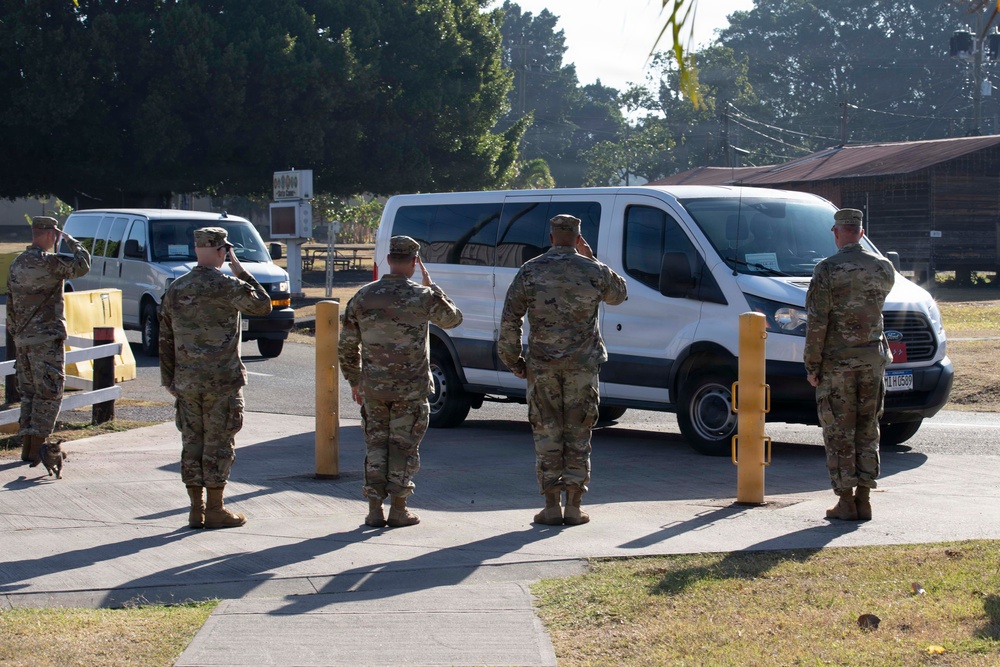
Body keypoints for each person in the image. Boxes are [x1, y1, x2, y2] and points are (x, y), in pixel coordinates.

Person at [498, 214, 627, 526]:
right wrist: (590, 256)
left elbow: (509, 320)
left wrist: (514, 361)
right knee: (578, 433)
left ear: (553, 236)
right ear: (578, 237)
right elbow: (619, 295)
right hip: (582, 368)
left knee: (547, 434)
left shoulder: (530, 270)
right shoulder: (593, 270)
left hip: (542, 368)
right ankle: (574, 505)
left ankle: (551, 506)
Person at [339, 235, 463, 528]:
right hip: (411, 388)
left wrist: (355, 381)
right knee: (403, 447)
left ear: (388, 260)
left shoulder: (363, 296)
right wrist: (433, 286)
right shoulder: (422, 296)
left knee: (376, 446)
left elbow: (346, 345)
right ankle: (398, 509)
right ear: (413, 262)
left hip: (373, 388)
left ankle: (373, 510)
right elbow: (453, 319)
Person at [159, 227, 272, 529]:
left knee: (192, 443)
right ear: (222, 251)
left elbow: (165, 338)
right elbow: (263, 305)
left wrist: (169, 379)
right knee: (219, 444)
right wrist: (244, 273)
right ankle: (216, 508)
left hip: (187, 382)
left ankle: (196, 509)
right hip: (222, 382)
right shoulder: (229, 285)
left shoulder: (176, 288)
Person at [804, 208, 895, 522]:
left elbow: (817, 321)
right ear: (860, 231)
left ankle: (845, 501)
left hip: (838, 365)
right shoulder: (883, 268)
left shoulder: (827, 270)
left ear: (836, 232)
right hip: (873, 362)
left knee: (839, 431)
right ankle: (865, 499)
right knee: (867, 429)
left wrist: (812, 366)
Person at [6, 216, 90, 473]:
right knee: (49, 392)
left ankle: (28, 447)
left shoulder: (17, 263)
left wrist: (17, 333)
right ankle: (41, 448)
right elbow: (83, 264)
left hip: (23, 339)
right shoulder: (50, 263)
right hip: (46, 339)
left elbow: (10, 304)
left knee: (29, 393)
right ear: (51, 235)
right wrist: (71, 240)